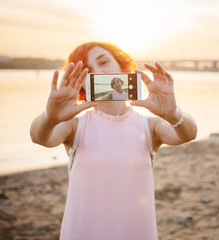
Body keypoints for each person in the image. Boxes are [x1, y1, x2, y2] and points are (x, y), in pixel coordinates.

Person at [30, 41, 197, 240]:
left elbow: (188, 134)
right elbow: (40, 137)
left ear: (121, 66)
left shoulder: (149, 126)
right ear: (79, 82)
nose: (100, 72)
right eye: (88, 70)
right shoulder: (74, 126)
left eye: (104, 62)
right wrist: (49, 117)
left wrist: (172, 114)